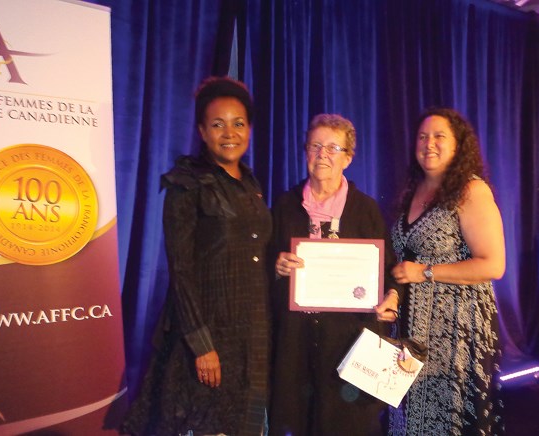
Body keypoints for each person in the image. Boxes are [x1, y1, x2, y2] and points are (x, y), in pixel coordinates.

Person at [121, 76, 272, 435]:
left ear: (249, 129)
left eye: (238, 123)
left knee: (249, 425)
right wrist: (202, 346)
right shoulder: (186, 184)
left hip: (253, 334)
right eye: (217, 124)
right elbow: (181, 271)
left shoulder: (251, 184)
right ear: (202, 131)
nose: (229, 133)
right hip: (209, 337)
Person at [269, 113, 401, 435]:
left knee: (346, 425)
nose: (322, 154)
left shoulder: (366, 209)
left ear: (348, 158)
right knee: (296, 421)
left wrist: (393, 297)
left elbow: (389, 270)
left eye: (333, 147)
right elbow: (263, 263)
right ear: (305, 152)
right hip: (295, 343)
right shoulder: (285, 206)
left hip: (349, 342)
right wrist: (276, 265)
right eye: (315, 145)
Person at [385, 107, 506, 435]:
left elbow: (493, 264)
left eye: (440, 136)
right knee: (410, 418)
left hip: (457, 332)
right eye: (423, 137)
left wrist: (424, 272)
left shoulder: (471, 191)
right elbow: (403, 261)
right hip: (411, 328)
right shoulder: (412, 191)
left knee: (450, 421)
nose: (429, 143)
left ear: (458, 145)